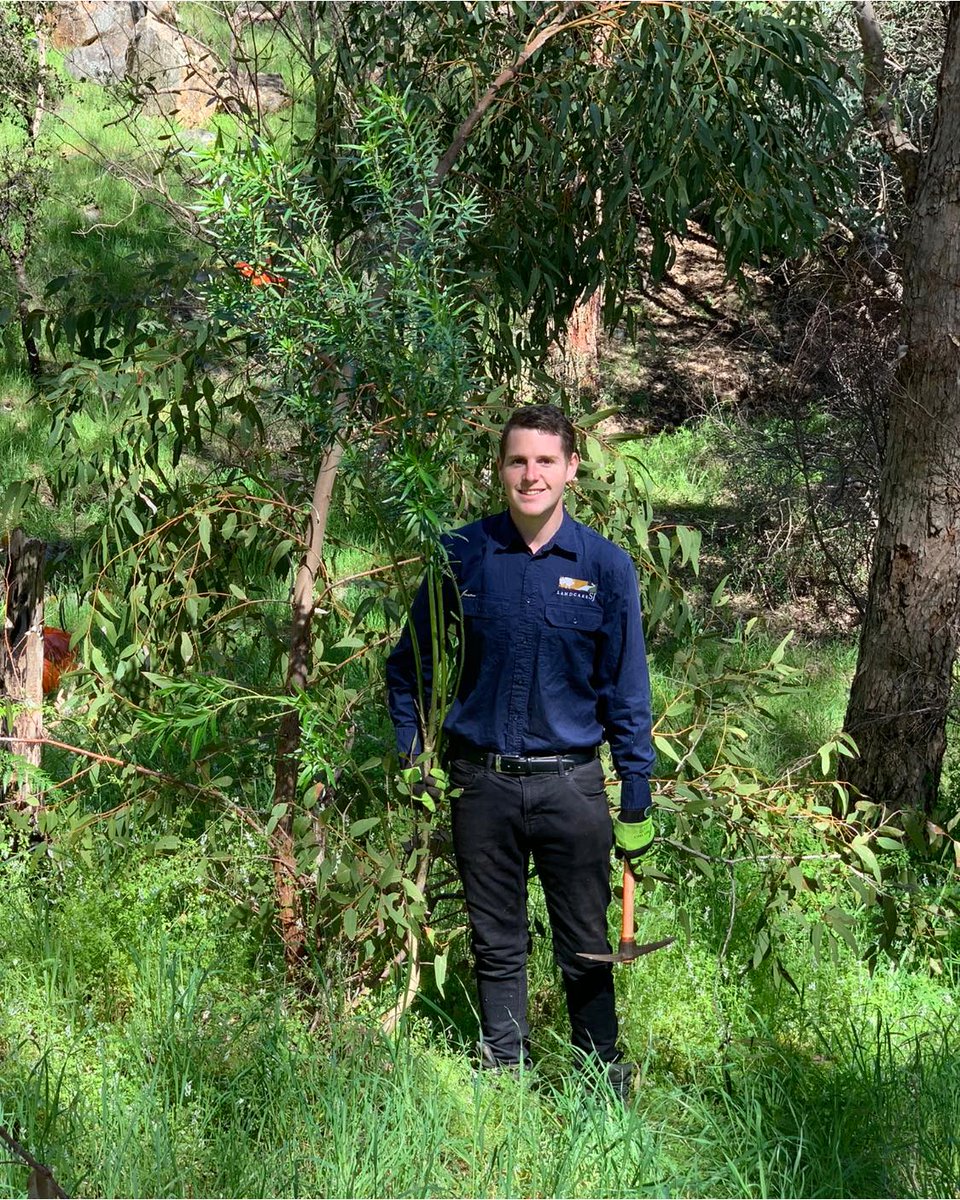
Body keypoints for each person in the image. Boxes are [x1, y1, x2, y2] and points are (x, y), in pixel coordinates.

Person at [385, 404, 655, 1098]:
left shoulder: (605, 567)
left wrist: (636, 795)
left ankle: (600, 1083)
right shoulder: (462, 555)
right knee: (496, 944)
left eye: (544, 461)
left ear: (571, 470)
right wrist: (415, 760)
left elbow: (627, 692)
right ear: (499, 470)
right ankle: (504, 1075)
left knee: (587, 950)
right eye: (516, 461)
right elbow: (405, 667)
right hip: (481, 786)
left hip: (572, 790)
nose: (530, 474)